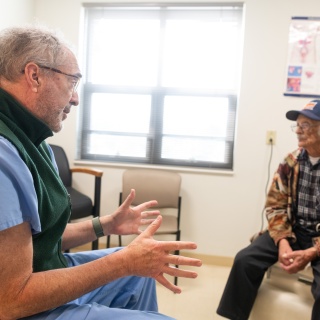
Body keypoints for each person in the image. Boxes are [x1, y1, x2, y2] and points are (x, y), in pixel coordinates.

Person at [0, 26, 202, 320]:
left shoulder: (34, 139)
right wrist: (124, 262)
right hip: (22, 307)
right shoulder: (5, 154)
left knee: (139, 274)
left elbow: (39, 240)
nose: (76, 99)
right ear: (34, 76)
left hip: (43, 273)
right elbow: (10, 301)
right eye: (72, 82)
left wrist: (106, 225)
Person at [216, 99, 320, 320]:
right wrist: (282, 241)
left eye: (307, 125)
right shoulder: (291, 162)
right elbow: (275, 205)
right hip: (295, 230)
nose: (299, 131)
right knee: (244, 261)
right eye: (298, 125)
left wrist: (312, 252)